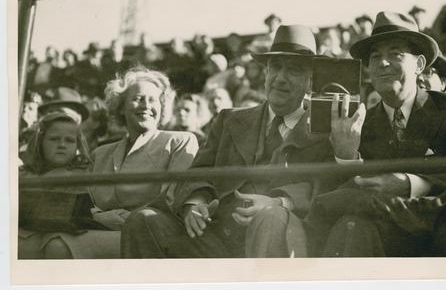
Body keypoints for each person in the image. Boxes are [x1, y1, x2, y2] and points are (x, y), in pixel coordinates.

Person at [122, 24, 333, 258]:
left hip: (276, 234)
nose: (280, 78)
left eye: (293, 70)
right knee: (143, 221)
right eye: (275, 67)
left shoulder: (325, 129)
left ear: (310, 80)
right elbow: (199, 171)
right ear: (265, 72)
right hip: (215, 236)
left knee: (270, 218)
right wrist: (196, 202)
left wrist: (280, 203)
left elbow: (324, 187)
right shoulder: (230, 120)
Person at [306, 11, 446, 257]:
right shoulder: (356, 123)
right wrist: (346, 156)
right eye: (375, 57)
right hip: (382, 241)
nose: (383, 63)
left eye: (395, 54)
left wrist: (411, 183)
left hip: (442, 235)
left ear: (419, 65)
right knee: (350, 228)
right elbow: (330, 199)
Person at [86, 67, 199, 257]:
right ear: (121, 106)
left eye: (153, 100)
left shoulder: (179, 141)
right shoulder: (100, 153)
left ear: (162, 107)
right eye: (138, 98)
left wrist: (114, 218)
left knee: (59, 247)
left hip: (148, 234)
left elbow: (172, 201)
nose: (146, 105)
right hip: (101, 230)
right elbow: (87, 204)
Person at [18, 111, 93, 259]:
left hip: (67, 235)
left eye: (70, 140)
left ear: (78, 145)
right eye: (54, 139)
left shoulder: (85, 174)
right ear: (40, 141)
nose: (62, 145)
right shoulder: (23, 174)